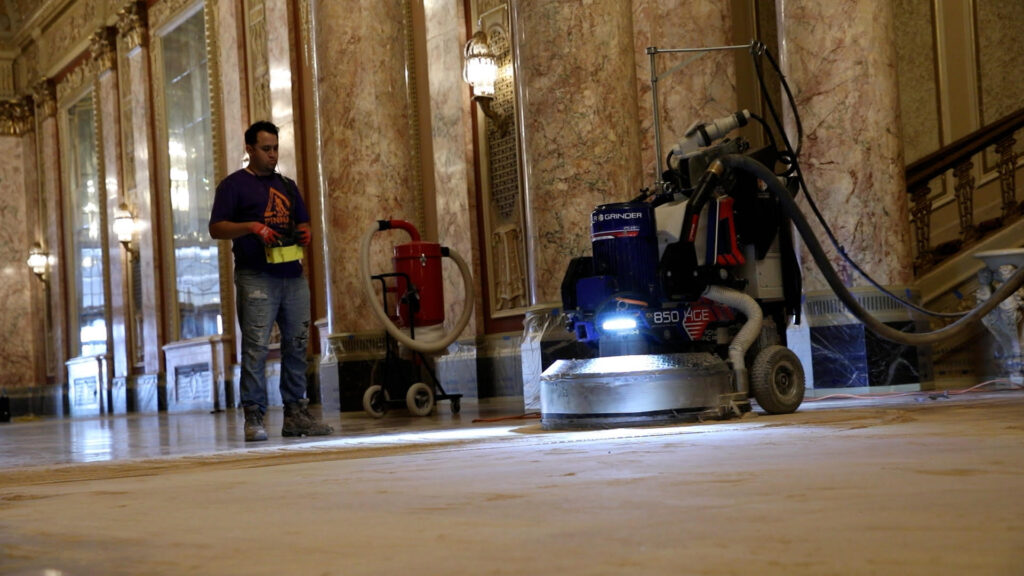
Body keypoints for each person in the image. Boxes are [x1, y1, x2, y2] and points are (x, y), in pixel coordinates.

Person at [209, 120, 333, 441]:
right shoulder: (233, 186)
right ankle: (254, 416)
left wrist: (304, 233)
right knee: (256, 348)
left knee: (297, 343)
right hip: (255, 276)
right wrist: (251, 227)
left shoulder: (288, 186)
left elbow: (302, 222)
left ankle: (296, 414)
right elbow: (217, 228)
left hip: (291, 274)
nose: (273, 155)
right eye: (266, 149)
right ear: (250, 149)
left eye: (276, 148)